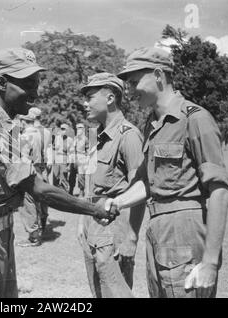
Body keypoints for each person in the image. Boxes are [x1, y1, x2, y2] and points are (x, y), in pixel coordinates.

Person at [0, 48, 117, 298]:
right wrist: (95, 209)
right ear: (2, 83)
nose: (36, 93)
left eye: (36, 84)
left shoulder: (8, 128)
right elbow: (39, 189)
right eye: (28, 84)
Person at [105, 47, 228, 298]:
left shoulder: (195, 119)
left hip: (185, 228)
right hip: (157, 229)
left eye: (133, 82)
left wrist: (210, 262)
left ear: (158, 75)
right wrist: (117, 201)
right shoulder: (152, 124)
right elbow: (149, 183)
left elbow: (219, 191)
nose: (128, 91)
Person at [77, 72, 146, 298]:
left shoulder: (128, 136)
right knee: (98, 291)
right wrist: (81, 223)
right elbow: (88, 186)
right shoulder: (97, 136)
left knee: (116, 292)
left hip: (114, 229)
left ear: (110, 98)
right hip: (92, 227)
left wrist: (131, 239)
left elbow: (141, 188)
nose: (85, 103)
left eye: (90, 96)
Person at [15, 109, 48, 247]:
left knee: (27, 203)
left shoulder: (25, 136)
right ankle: (38, 229)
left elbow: (22, 157)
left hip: (28, 170)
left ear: (24, 121)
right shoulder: (38, 134)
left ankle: (33, 237)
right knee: (36, 201)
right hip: (38, 169)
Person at [52, 123, 74, 193]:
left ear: (67, 130)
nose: (62, 130)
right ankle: (55, 194)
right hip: (56, 159)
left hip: (64, 159)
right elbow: (53, 149)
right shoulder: (57, 138)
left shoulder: (70, 140)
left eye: (64, 129)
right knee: (55, 177)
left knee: (64, 178)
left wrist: (69, 165)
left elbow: (71, 153)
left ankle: (65, 194)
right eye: (61, 129)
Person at [73, 123, 88, 197]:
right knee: (72, 175)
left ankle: (81, 191)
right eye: (77, 128)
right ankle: (70, 191)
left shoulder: (85, 139)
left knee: (81, 176)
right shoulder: (75, 138)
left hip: (82, 157)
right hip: (75, 157)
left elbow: (88, 150)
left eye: (80, 128)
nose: (79, 129)